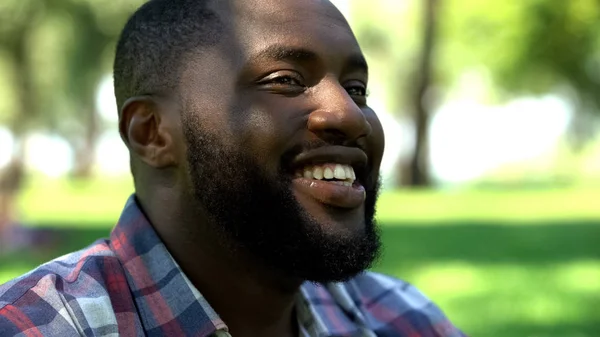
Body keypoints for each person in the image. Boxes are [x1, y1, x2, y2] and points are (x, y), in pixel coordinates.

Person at [0, 0, 466, 336]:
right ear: (152, 133)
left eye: (357, 88)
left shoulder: (403, 318)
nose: (348, 115)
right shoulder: (39, 326)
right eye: (284, 80)